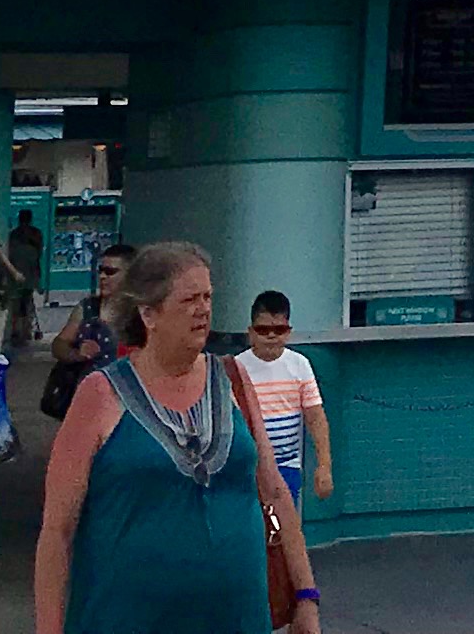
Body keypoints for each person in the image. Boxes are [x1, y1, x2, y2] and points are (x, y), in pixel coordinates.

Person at [33, 239, 297, 634]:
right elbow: (57, 529)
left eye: (208, 296)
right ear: (149, 314)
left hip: (237, 618)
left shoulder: (232, 379)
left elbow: (274, 492)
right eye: (190, 299)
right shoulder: (100, 394)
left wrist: (305, 596)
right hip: (126, 619)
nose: (204, 309)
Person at [230, 291, 332, 509]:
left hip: (287, 467)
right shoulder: (236, 368)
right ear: (251, 332)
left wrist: (324, 466)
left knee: (284, 533)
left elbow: (315, 418)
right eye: (263, 329)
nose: (271, 336)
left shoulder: (300, 365)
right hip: (247, 470)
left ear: (288, 332)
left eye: (279, 329)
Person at [43, 244, 133, 418]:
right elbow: (59, 344)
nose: (102, 277)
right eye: (101, 270)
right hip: (87, 400)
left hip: (126, 403)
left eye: (110, 272)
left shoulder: (142, 314)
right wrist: (76, 354)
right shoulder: (87, 308)